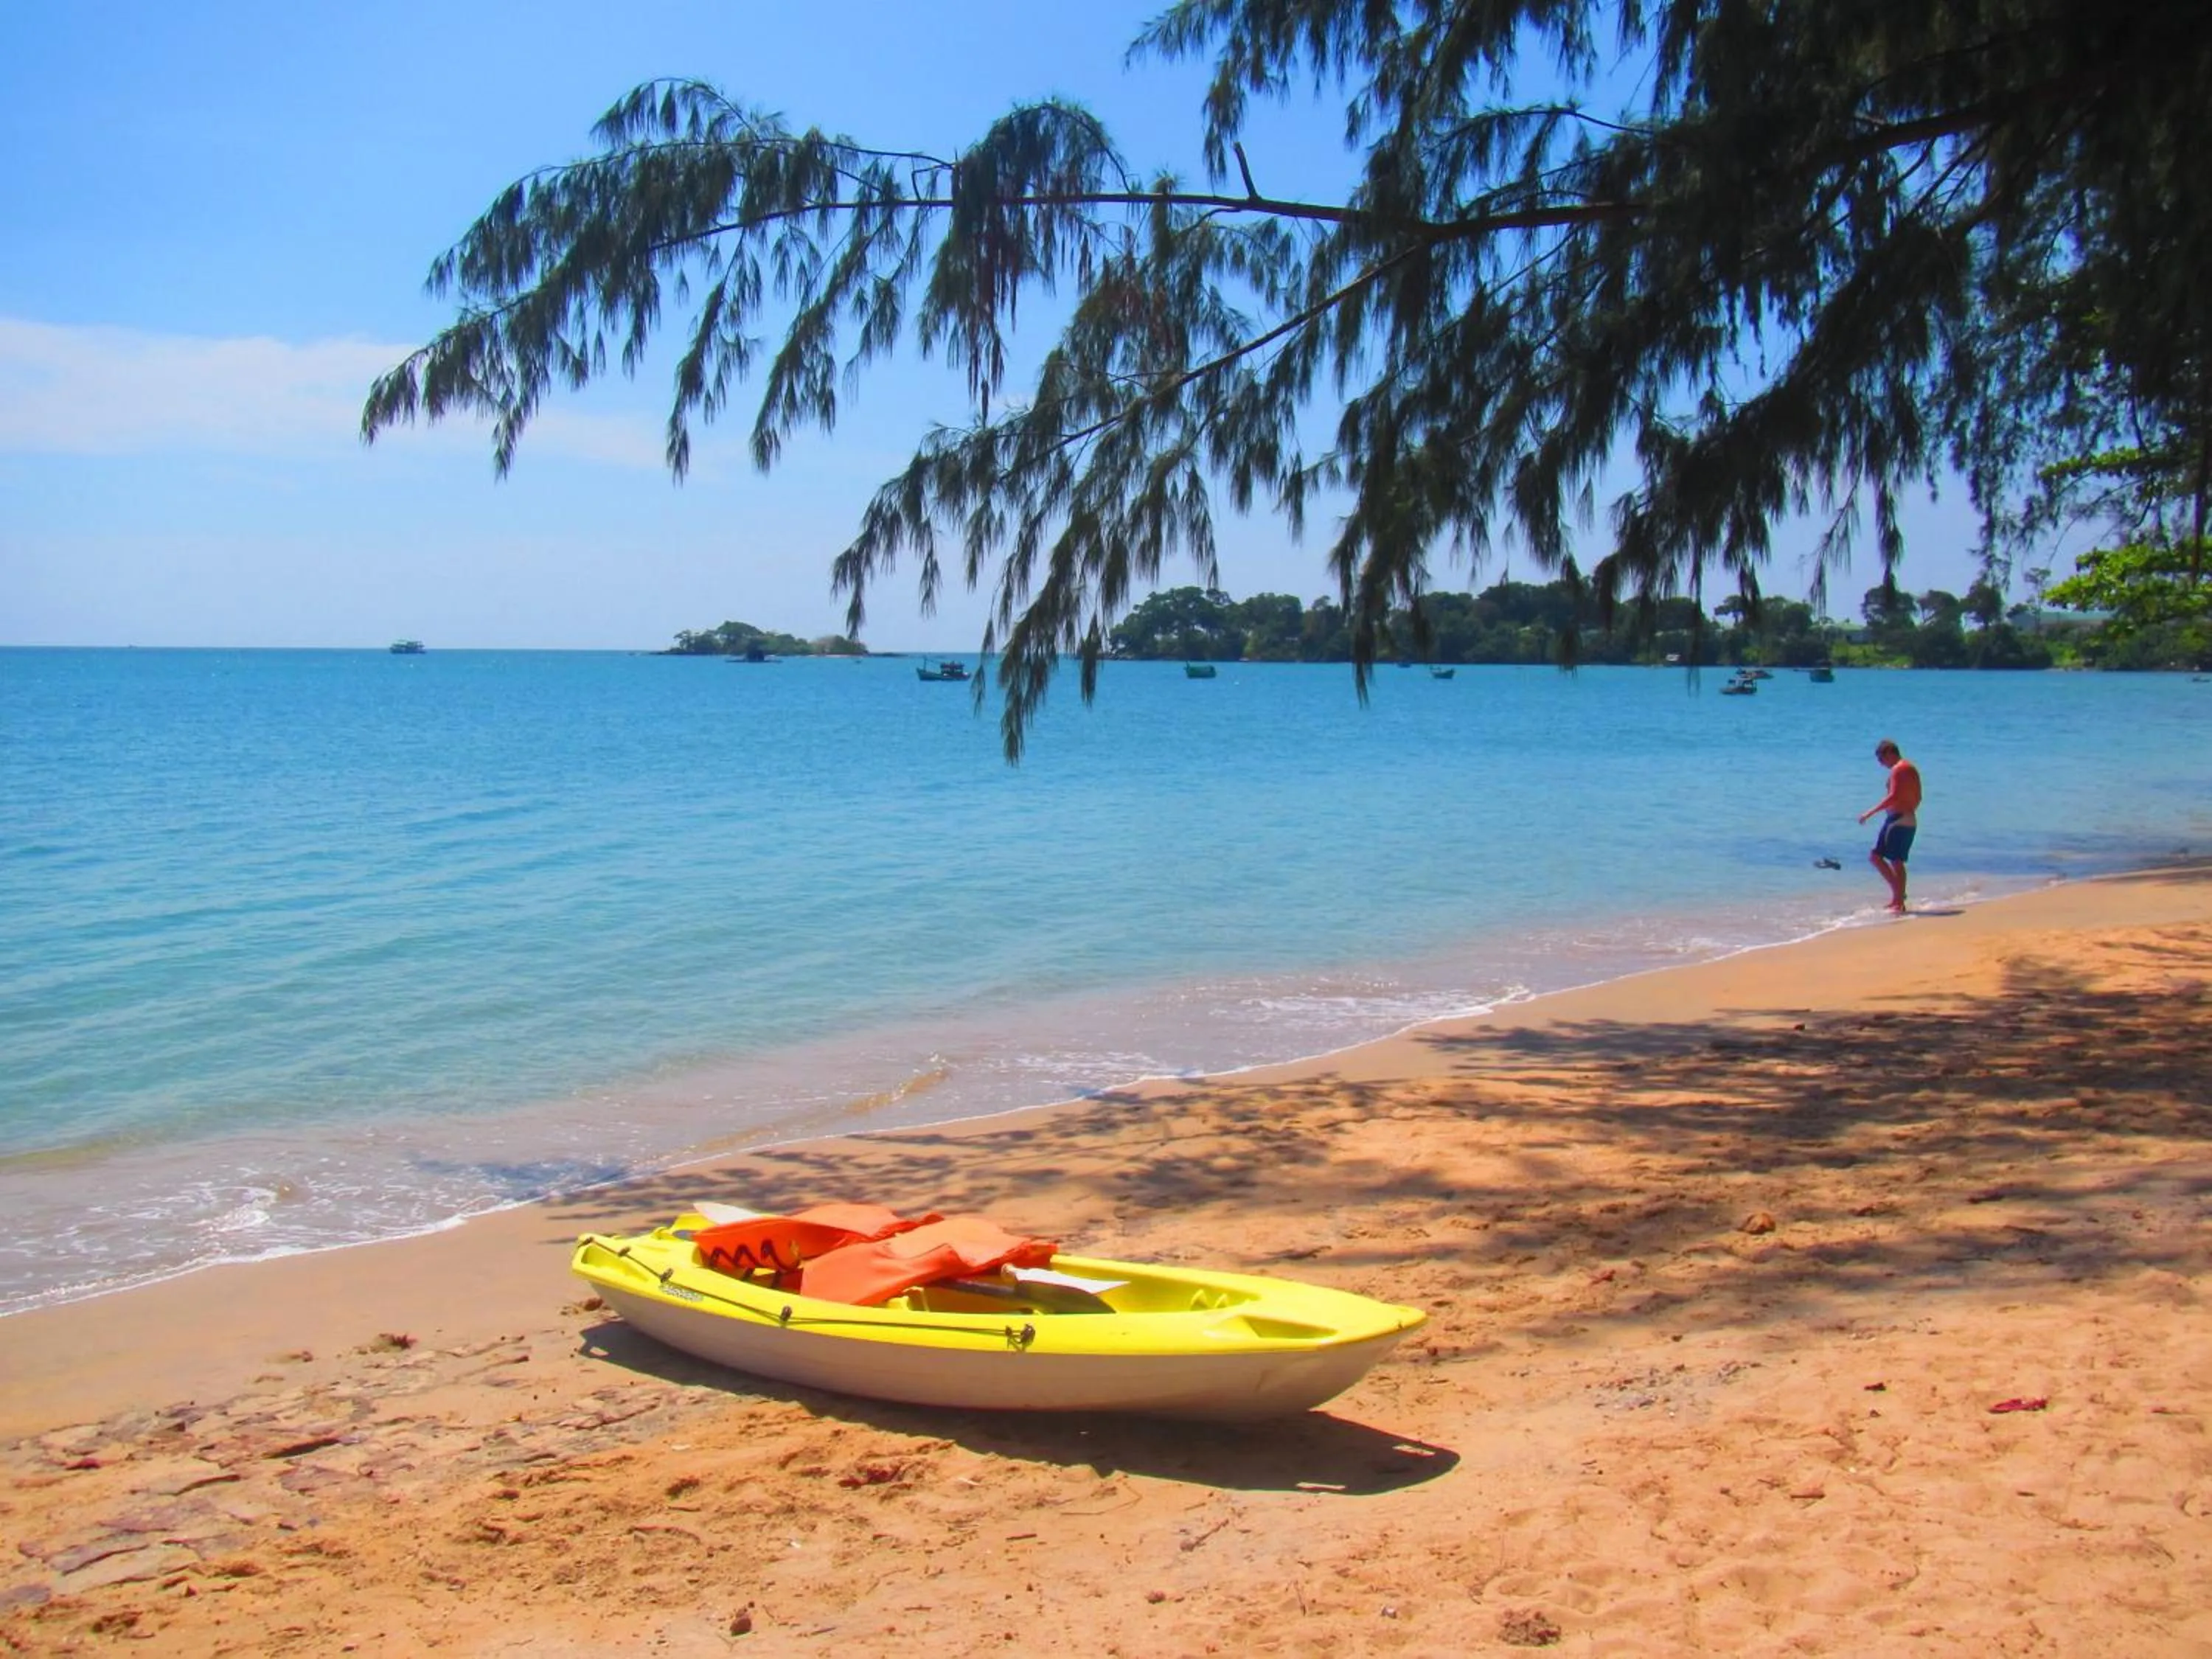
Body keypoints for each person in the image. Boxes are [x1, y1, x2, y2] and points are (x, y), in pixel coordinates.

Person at [1857, 738, 1922, 913]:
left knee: (1887, 859)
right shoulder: (1910, 768)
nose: (1881, 764)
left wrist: (1869, 813)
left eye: (1881, 759)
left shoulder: (1899, 769)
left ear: (1889, 753)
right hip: (1906, 818)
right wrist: (1908, 811)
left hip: (1899, 819)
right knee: (1887, 859)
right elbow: (1918, 797)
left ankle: (1899, 898)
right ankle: (1898, 897)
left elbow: (1893, 796)